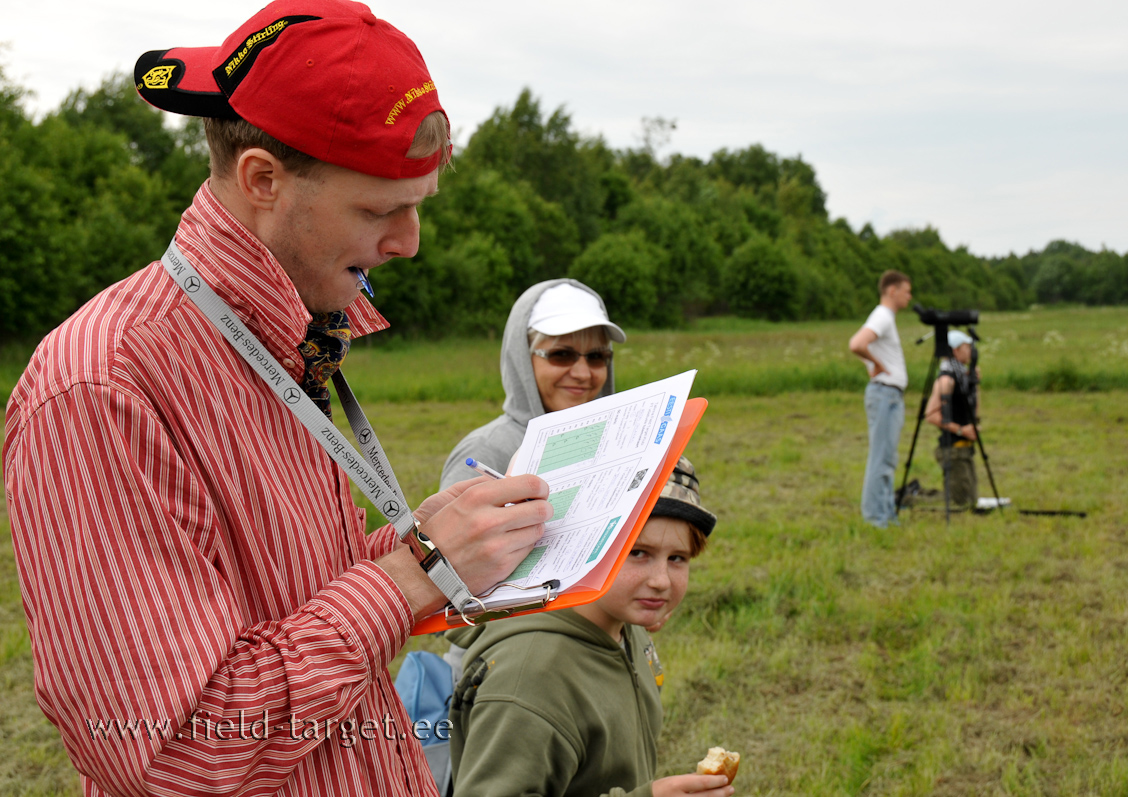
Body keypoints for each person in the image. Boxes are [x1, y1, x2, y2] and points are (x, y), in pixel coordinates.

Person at [2, 3, 553, 795]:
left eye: (418, 202)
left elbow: (281, 611)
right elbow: (179, 750)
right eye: (379, 209)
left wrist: (416, 546)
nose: (409, 241)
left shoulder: (281, 340)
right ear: (263, 180)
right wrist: (407, 577)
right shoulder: (102, 387)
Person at [446, 458, 734, 797]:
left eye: (677, 558)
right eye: (638, 553)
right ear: (585, 543)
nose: (661, 581)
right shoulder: (532, 678)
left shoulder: (622, 625)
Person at [440, 279, 625, 489]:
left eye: (597, 356)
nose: (583, 374)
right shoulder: (487, 451)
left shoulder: (616, 443)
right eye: (561, 354)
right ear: (523, 359)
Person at [848, 270, 912, 528]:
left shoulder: (884, 317)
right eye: (907, 290)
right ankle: (876, 518)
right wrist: (878, 366)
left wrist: (873, 363)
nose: (910, 296)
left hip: (889, 395)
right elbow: (857, 343)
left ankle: (886, 514)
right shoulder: (883, 316)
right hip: (885, 394)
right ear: (892, 290)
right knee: (881, 458)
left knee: (887, 457)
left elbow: (864, 347)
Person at [926, 329, 980, 509]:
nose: (971, 351)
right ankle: (909, 497)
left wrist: (975, 385)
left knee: (970, 499)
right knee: (960, 503)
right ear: (955, 350)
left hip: (965, 449)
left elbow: (973, 412)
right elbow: (931, 415)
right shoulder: (946, 380)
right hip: (953, 449)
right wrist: (960, 430)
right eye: (967, 347)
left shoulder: (963, 376)